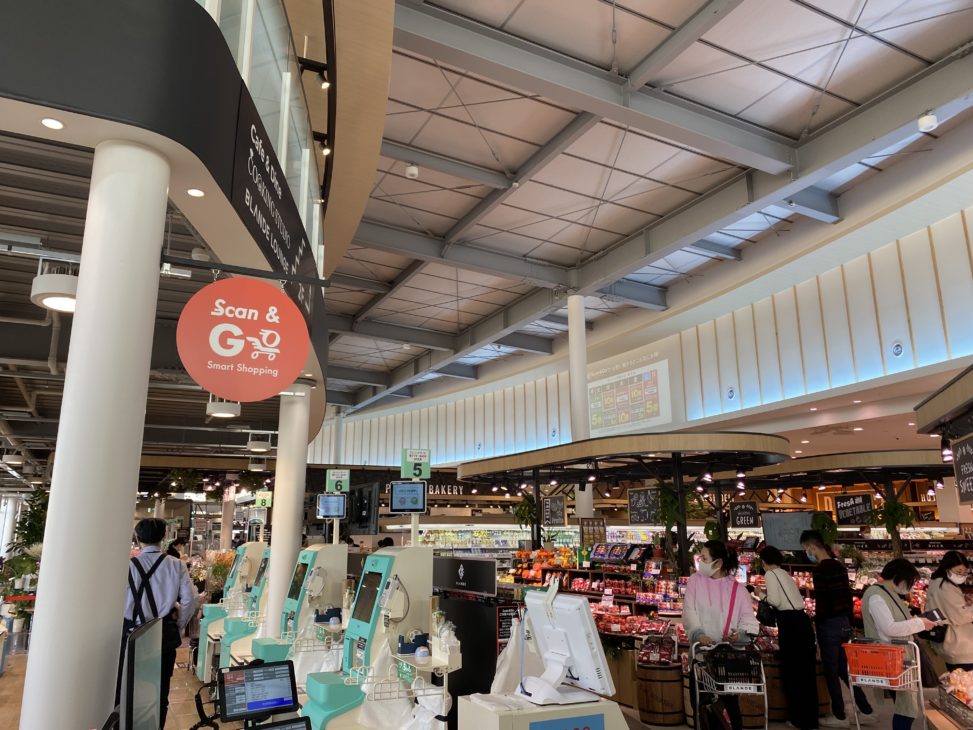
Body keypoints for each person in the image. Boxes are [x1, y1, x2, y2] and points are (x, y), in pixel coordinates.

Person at [120, 518, 196, 730]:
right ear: (164, 538)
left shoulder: (128, 566)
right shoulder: (176, 565)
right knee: (160, 689)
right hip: (163, 633)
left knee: (128, 686)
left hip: (131, 633)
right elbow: (190, 599)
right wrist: (179, 624)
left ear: (137, 538)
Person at [801, 529, 876, 727]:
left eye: (805, 549)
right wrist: (849, 624)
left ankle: (839, 715)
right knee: (844, 669)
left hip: (829, 625)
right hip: (844, 623)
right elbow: (848, 598)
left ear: (811, 547)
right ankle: (866, 710)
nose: (806, 553)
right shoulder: (840, 567)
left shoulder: (820, 570)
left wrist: (817, 625)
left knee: (831, 670)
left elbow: (823, 603)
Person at [684, 540, 760, 730]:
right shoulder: (695, 581)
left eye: (704, 558)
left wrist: (740, 635)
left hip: (728, 658)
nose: (700, 562)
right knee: (700, 703)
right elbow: (689, 611)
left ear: (718, 563)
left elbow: (748, 619)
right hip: (702, 654)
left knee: (730, 704)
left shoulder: (738, 590)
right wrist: (698, 633)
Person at [861, 559, 936, 730]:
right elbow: (889, 628)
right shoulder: (876, 596)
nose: (910, 586)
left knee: (905, 704)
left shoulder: (886, 593)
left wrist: (919, 622)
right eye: (909, 582)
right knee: (906, 706)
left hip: (899, 656)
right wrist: (920, 623)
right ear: (899, 577)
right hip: (892, 657)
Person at [755, 546, 818, 730]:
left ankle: (798, 720)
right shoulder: (784, 573)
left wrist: (760, 594)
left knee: (793, 672)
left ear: (764, 561)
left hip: (790, 625)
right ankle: (811, 720)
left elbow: (775, 601)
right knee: (807, 673)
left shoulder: (770, 574)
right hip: (802, 622)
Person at [926, 551, 973, 670]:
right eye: (958, 571)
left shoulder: (936, 582)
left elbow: (947, 608)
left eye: (965, 572)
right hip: (959, 644)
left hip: (948, 642)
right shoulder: (946, 586)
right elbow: (960, 616)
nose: (962, 575)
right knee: (965, 679)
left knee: (956, 678)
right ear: (947, 568)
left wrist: (963, 601)